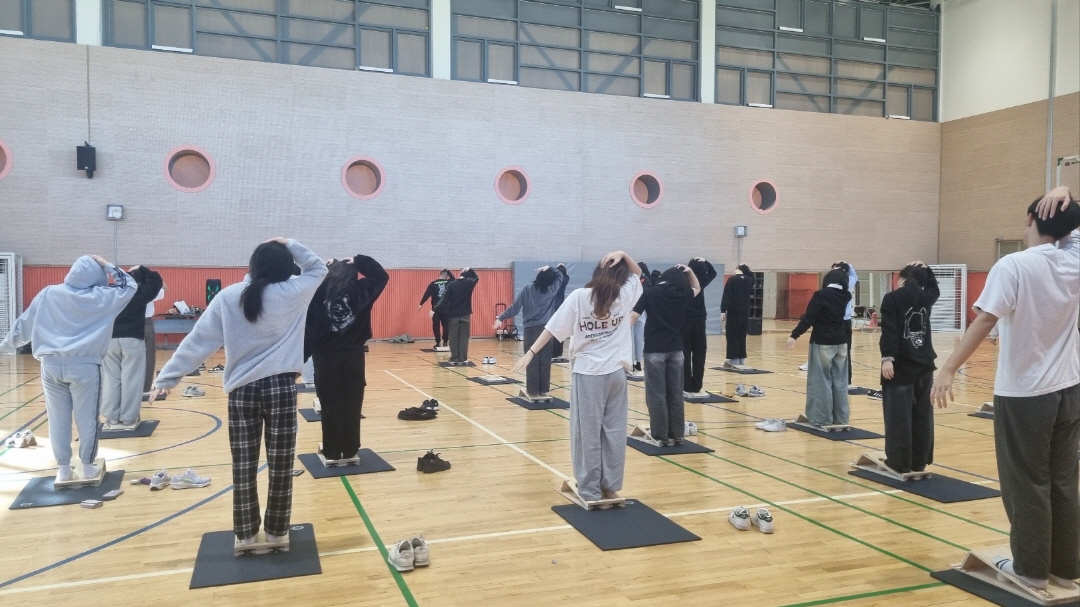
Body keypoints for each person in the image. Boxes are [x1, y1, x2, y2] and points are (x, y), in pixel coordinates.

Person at [931, 188, 1079, 592]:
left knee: (1026, 481)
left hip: (1025, 393)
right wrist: (1065, 190)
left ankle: (1031, 569)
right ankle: (1064, 569)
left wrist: (948, 368)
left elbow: (984, 321)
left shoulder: (1013, 265)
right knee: (1064, 481)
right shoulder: (1075, 258)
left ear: (1031, 219)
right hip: (1070, 389)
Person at [152, 238, 327, 547]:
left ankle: (245, 535)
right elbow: (317, 267)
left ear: (253, 265)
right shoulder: (296, 292)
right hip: (281, 389)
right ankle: (277, 532)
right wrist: (290, 242)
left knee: (243, 466)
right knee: (281, 465)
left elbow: (199, 340)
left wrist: (167, 378)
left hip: (241, 392)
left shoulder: (229, 296)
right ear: (287, 267)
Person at [512, 251, 642, 503]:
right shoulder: (625, 295)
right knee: (614, 432)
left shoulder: (581, 297)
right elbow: (637, 273)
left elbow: (552, 328)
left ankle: (590, 489)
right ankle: (611, 486)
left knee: (587, 434)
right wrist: (623, 254)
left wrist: (530, 352)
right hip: (617, 374)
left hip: (589, 374)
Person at [0, 255, 137, 483]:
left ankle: (63, 468)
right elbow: (130, 285)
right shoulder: (102, 297)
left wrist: (4, 348)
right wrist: (107, 265)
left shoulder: (48, 293)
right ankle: (87, 466)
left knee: (57, 419)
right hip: (85, 367)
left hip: (50, 366)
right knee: (87, 419)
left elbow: (23, 326)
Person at [306, 254, 388, 461]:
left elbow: (303, 278)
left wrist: (324, 268)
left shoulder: (317, 291)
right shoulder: (361, 290)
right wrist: (359, 260)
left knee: (329, 404)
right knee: (352, 403)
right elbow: (380, 276)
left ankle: (332, 450)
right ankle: (350, 448)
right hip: (353, 356)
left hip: (325, 357)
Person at [878, 262, 939, 473]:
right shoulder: (927, 297)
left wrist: (887, 358)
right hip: (925, 366)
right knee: (923, 416)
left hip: (901, 366)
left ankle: (899, 462)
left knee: (898, 417)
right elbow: (934, 288)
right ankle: (919, 461)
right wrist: (928, 270)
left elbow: (889, 330)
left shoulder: (892, 298)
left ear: (901, 279)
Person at [631, 265, 700, 444]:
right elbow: (697, 287)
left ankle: (660, 435)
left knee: (656, 394)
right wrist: (690, 271)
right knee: (676, 393)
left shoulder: (650, 292)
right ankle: (677, 434)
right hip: (676, 349)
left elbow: (634, 316)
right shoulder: (683, 294)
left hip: (654, 349)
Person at [787, 268, 852, 427]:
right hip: (841, 342)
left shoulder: (821, 295)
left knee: (821, 380)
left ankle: (821, 417)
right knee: (840, 381)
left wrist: (795, 335)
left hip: (823, 341)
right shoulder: (846, 296)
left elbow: (810, 317)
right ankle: (841, 417)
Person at [102, 265, 163, 430]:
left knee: (111, 379)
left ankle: (112, 418)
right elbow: (157, 280)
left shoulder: (110, 291)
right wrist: (144, 269)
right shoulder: (140, 292)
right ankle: (128, 419)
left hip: (110, 340)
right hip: (133, 340)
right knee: (132, 379)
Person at [493, 264, 568, 399]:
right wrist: (550, 267)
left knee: (531, 360)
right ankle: (543, 391)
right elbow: (560, 276)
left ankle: (533, 391)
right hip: (547, 331)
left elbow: (515, 308)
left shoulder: (527, 289)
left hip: (530, 330)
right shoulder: (551, 290)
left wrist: (501, 318)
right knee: (545, 361)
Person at [682, 257, 717, 397]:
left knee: (685, 352)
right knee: (699, 352)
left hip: (685, 320)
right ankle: (697, 385)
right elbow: (713, 273)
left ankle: (685, 384)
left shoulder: (683, 280)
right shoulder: (702, 280)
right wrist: (706, 260)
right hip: (699, 320)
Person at [434, 268, 479, 365]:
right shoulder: (469, 284)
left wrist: (434, 309)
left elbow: (444, 299)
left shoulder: (452, 284)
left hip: (453, 316)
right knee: (464, 338)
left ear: (460, 274)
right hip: (465, 315)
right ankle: (462, 358)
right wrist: (470, 269)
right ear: (468, 277)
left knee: (453, 337)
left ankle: (454, 358)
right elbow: (476, 277)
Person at [720, 265, 754, 368]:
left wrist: (723, 310)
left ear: (738, 269)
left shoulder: (732, 279)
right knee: (742, 335)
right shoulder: (749, 280)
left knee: (732, 334)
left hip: (733, 311)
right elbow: (752, 275)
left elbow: (727, 295)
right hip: (744, 311)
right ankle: (741, 358)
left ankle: (733, 358)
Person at [833, 260, 858, 385]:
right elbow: (854, 275)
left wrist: (847, 265)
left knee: (845, 352)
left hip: (845, 322)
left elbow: (853, 275)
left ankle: (846, 380)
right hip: (833, 321)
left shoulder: (846, 284)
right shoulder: (829, 286)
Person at [629, 262, 653, 375]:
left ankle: (632, 363)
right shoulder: (646, 279)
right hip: (641, 310)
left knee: (631, 339)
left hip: (630, 310)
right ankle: (637, 363)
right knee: (638, 338)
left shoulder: (629, 280)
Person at [419, 270, 453, 348]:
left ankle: (438, 343)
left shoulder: (433, 284)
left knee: (436, 326)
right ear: (446, 277)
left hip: (435, 309)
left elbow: (427, 294)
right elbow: (453, 278)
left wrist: (421, 303)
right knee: (446, 326)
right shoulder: (449, 283)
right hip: (446, 309)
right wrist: (448, 271)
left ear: (439, 275)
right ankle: (445, 342)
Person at [144, 283, 166, 393]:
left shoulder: (125, 288)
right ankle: (145, 387)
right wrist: (157, 278)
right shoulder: (148, 289)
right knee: (148, 356)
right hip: (145, 323)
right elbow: (164, 289)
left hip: (126, 324)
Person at [550, 264, 570, 361]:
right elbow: (567, 275)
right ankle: (558, 353)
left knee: (552, 331)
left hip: (551, 309)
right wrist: (562, 267)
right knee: (560, 331)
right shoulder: (564, 282)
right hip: (561, 309)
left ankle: (553, 353)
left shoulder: (552, 282)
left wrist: (555, 269)